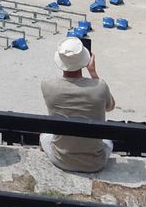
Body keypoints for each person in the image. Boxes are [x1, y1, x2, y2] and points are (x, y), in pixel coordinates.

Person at [40, 37, 115, 173]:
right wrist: (93, 73)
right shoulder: (100, 86)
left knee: (44, 135)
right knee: (108, 138)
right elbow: (110, 107)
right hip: (95, 163)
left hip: (60, 159)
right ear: (86, 59)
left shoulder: (47, 84)